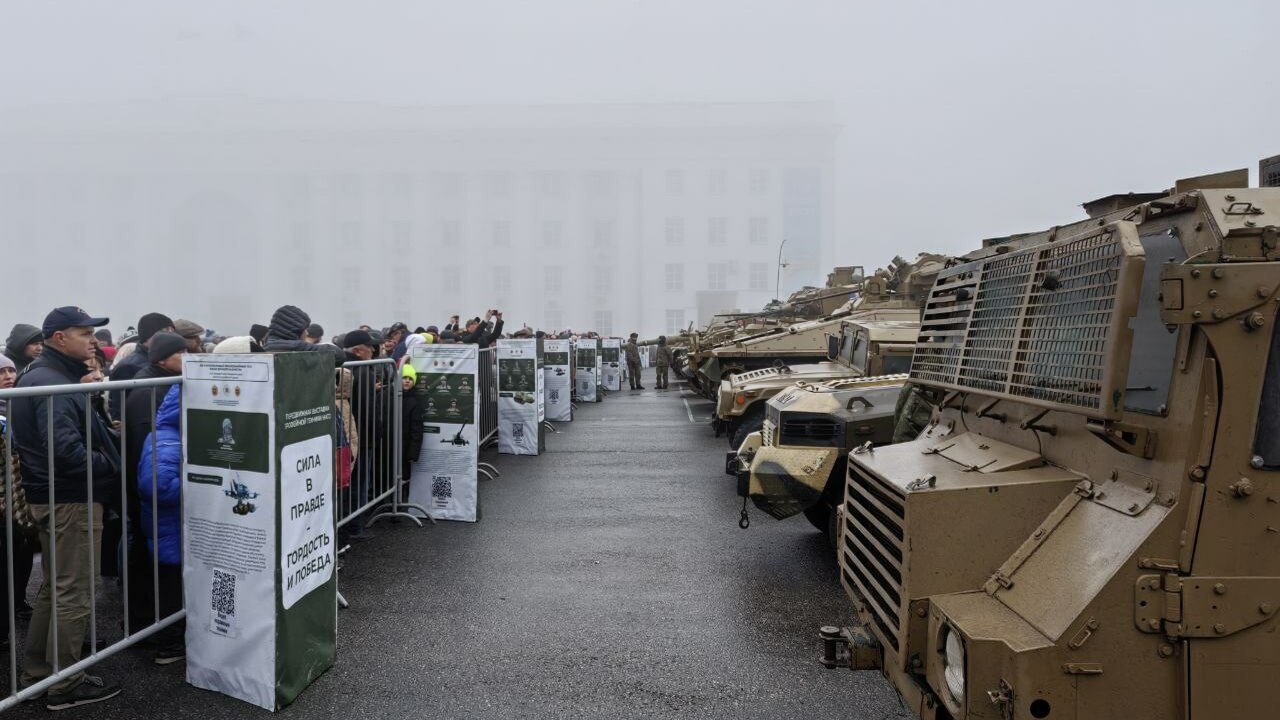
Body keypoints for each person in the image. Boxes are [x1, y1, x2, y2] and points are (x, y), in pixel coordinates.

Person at [10, 306, 122, 710]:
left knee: (54, 589)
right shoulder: (52, 382)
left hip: (56, 496)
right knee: (74, 591)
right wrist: (111, 464)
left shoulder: (49, 376)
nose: (92, 340)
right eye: (83, 333)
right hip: (69, 498)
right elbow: (66, 452)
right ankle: (65, 683)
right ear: (59, 338)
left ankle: (40, 676)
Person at [120, 332, 187, 647]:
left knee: (153, 561)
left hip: (147, 490)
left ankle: (146, 624)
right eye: (181, 352)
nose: (187, 357)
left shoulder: (159, 384)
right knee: (153, 564)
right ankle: (150, 628)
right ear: (162, 358)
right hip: (149, 493)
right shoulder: (154, 391)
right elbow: (153, 453)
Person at [136, 383, 186, 666]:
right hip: (170, 532)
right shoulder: (167, 440)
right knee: (172, 591)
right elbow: (157, 487)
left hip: (175, 530)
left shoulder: (174, 434)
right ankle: (169, 646)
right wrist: (201, 482)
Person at [0, 354, 37, 633]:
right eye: (1, 372)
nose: (8, 376)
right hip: (5, 496)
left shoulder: (22, 403)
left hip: (20, 496)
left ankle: (19, 601)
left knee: (22, 550)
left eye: (11, 370)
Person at [110, 313, 174, 420]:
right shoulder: (128, 366)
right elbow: (119, 408)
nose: (171, 336)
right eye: (165, 331)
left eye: (172, 331)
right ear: (149, 335)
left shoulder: (164, 361)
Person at [400, 363, 424, 495]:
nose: (407, 380)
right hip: (390, 446)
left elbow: (417, 429)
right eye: (404, 377)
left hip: (405, 446)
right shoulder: (390, 396)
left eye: (410, 378)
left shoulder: (414, 402)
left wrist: (413, 453)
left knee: (403, 474)